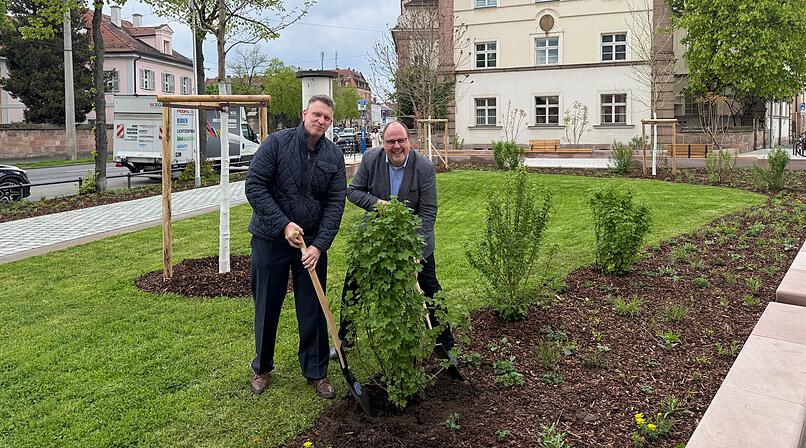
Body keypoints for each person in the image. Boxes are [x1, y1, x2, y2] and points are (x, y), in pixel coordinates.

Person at [245, 95, 347, 399]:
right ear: (305, 113)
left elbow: (335, 203)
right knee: (267, 302)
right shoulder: (276, 143)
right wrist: (284, 225)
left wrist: (319, 246)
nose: (321, 121)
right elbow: (255, 185)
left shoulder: (334, 156)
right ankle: (262, 367)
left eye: (327, 118)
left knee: (313, 305)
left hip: (311, 246)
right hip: (270, 238)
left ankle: (316, 372)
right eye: (317, 115)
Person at [332, 120, 455, 358]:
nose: (396, 146)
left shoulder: (424, 167)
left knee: (430, 288)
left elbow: (428, 213)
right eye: (391, 142)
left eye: (401, 141)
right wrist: (377, 204)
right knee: (353, 285)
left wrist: (415, 250)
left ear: (409, 141)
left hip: (414, 237)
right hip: (376, 233)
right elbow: (353, 191)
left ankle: (445, 344)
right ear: (383, 143)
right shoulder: (371, 159)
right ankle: (346, 339)